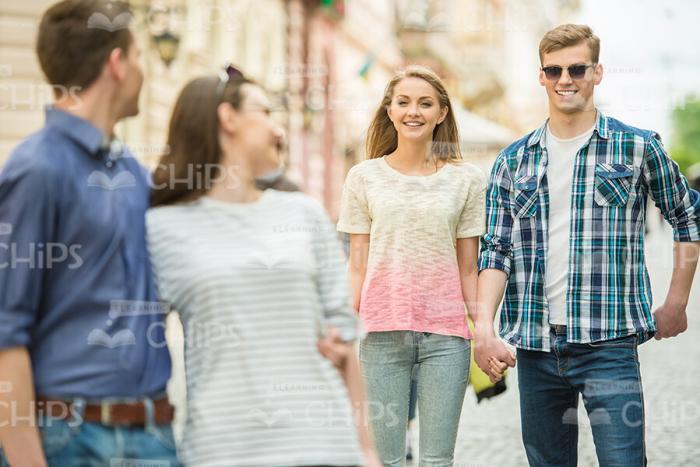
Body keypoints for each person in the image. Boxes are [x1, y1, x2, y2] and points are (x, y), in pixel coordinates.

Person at [475, 24, 700, 467]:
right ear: (541, 76)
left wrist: (676, 302)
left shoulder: (637, 147)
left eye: (577, 68)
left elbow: (687, 218)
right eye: (554, 70)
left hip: (609, 346)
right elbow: (495, 248)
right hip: (537, 348)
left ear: (597, 72)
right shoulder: (512, 160)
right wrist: (484, 327)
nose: (565, 79)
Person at [146, 66, 381, 467]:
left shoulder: (305, 214)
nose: (279, 128)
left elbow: (343, 343)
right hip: (221, 452)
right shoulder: (160, 227)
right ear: (228, 117)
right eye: (265, 111)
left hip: (324, 448)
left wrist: (367, 452)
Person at [0, 1, 179, 466]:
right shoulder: (37, 169)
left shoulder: (133, 173)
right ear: (117, 64)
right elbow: (5, 333)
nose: (144, 70)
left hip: (153, 433)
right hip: (71, 439)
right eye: (138, 57)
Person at [337, 65, 486, 466]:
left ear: (441, 113)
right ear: (389, 111)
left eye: (425, 103)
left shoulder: (467, 181)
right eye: (403, 102)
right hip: (381, 334)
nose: (413, 112)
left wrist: (484, 331)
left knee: (437, 460)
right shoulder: (363, 178)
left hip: (447, 338)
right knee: (386, 460)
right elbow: (357, 265)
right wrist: (341, 329)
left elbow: (468, 269)